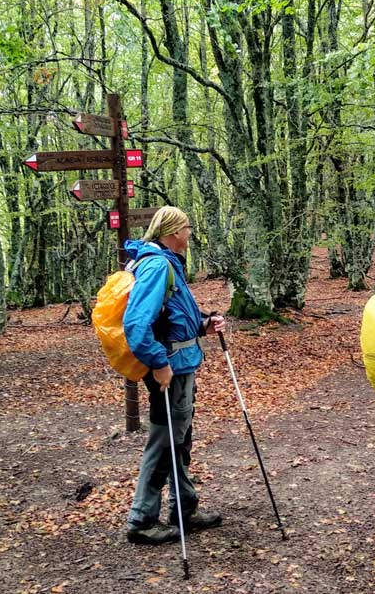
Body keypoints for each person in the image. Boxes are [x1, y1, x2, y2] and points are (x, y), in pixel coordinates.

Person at [123, 206, 226, 544]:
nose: (190, 232)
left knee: (179, 441)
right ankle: (141, 520)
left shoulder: (170, 265)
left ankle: (184, 508)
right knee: (165, 441)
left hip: (181, 364)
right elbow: (137, 324)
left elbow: (173, 317)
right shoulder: (157, 266)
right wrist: (159, 362)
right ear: (172, 232)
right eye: (186, 227)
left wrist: (203, 325)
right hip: (170, 368)